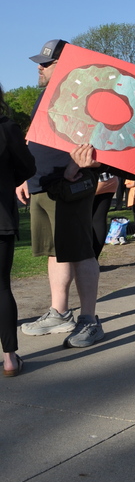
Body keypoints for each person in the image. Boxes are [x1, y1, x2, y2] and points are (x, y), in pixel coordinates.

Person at [17, 39, 104, 347]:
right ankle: (60, 313)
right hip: (41, 184)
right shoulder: (46, 95)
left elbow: (100, 136)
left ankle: (89, 320)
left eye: (46, 63)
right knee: (56, 251)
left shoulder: (84, 95)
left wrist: (73, 167)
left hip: (68, 185)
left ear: (65, 64)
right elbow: (32, 138)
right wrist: (24, 176)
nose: (39, 67)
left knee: (80, 252)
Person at [0, 85, 36, 376]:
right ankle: (10, 358)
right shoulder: (7, 128)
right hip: (1, 217)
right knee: (1, 287)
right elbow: (27, 167)